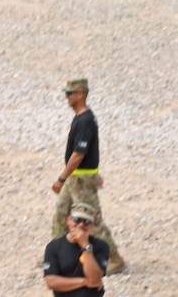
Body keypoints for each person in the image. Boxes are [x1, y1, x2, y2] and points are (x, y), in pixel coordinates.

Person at [51, 78, 125, 275]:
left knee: (91, 221)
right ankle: (59, 254)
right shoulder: (81, 118)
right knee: (61, 213)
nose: (67, 97)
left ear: (81, 94)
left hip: (81, 179)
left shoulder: (85, 120)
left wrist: (61, 178)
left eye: (70, 93)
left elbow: (79, 154)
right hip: (76, 177)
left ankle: (114, 259)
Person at [43, 202, 109, 297]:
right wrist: (85, 281)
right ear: (68, 220)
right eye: (77, 220)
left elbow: (95, 278)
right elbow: (52, 282)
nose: (81, 225)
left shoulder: (101, 246)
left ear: (91, 225)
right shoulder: (54, 247)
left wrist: (86, 246)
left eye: (86, 222)